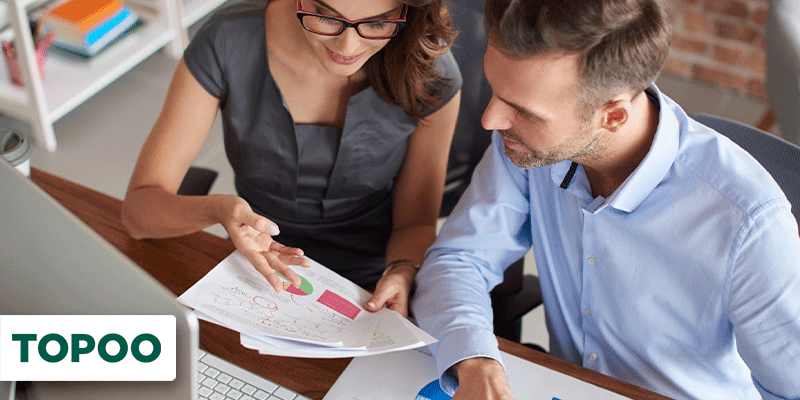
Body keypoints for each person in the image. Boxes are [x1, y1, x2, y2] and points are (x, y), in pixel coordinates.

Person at [411, 0, 800, 398]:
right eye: (496, 91)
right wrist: (476, 362)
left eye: (522, 110)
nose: (491, 119)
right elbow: (460, 260)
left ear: (612, 116)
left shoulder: (751, 224)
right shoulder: (526, 144)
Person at [120, 0, 461, 317]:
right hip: (253, 261)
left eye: (377, 24)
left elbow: (415, 224)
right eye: (326, 16)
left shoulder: (429, 69)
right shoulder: (228, 40)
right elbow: (137, 215)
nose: (347, 47)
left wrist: (402, 270)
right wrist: (215, 210)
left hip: (372, 278)